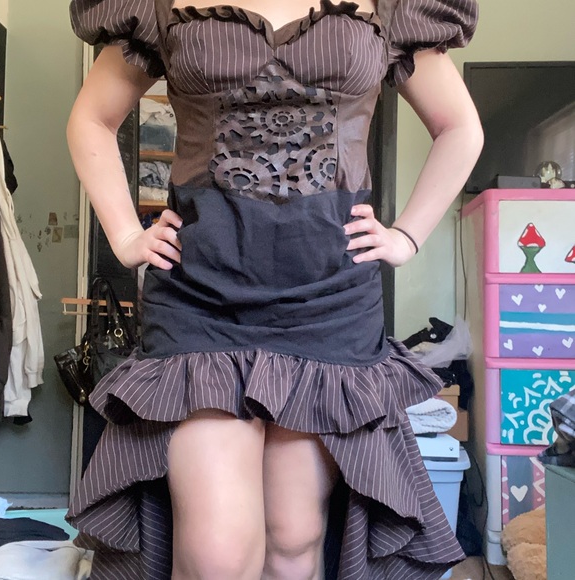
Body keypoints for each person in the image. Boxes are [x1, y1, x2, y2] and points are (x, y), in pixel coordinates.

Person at [66, 0, 483, 578]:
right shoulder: (159, 6)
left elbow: (459, 127)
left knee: (294, 537)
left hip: (331, 305)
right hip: (201, 303)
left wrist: (406, 237)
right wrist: (124, 235)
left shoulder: (392, 8)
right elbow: (92, 118)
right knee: (215, 553)